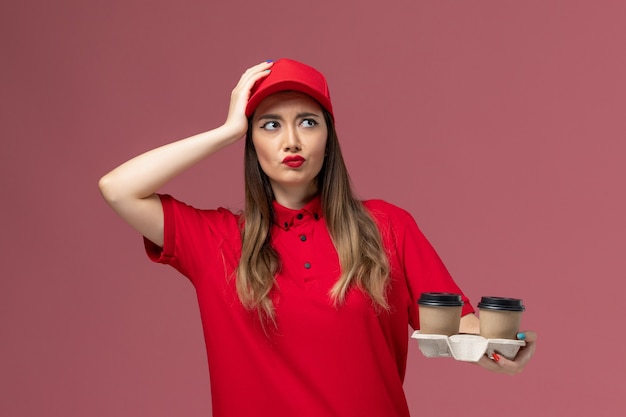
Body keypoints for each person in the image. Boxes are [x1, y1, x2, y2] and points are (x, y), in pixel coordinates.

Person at [99, 58, 537, 417]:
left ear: (329, 138)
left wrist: (498, 348)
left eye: (307, 122)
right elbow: (118, 188)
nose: (291, 140)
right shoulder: (217, 240)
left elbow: (457, 325)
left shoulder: (387, 227)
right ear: (251, 143)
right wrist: (225, 131)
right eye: (270, 125)